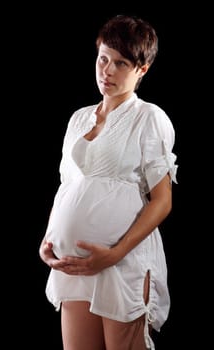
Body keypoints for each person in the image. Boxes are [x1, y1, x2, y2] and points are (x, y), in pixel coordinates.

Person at [39, 14, 178, 350]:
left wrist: (114, 254)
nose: (108, 70)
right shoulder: (78, 118)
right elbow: (68, 186)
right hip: (72, 265)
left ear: (141, 70)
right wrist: (49, 238)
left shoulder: (149, 118)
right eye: (103, 59)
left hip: (122, 262)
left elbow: (162, 201)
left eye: (121, 63)